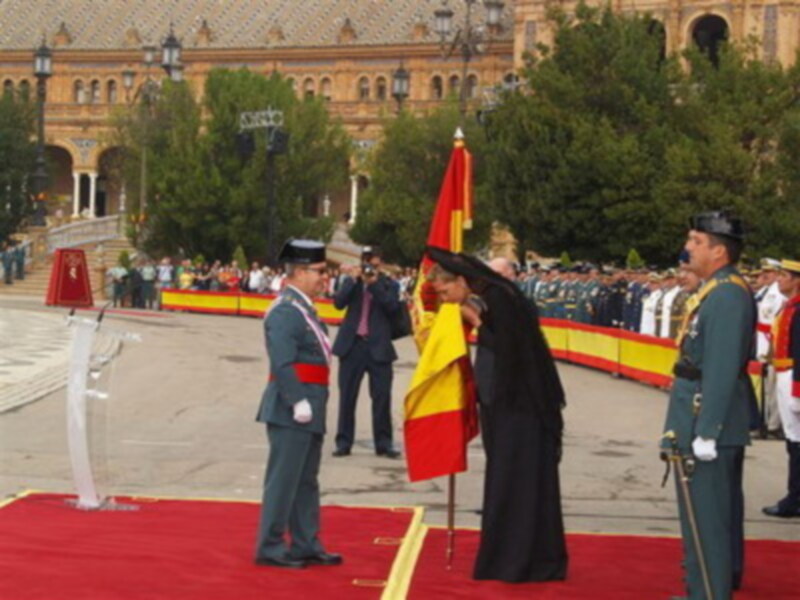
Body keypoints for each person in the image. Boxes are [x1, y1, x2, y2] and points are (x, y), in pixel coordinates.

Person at [427, 246, 568, 584]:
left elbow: (510, 351)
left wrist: (474, 319)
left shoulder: (500, 298)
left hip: (521, 407)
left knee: (515, 483)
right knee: (506, 480)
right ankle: (508, 556)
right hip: (502, 403)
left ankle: (514, 561)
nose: (446, 299)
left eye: (446, 291)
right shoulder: (488, 295)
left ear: (461, 280)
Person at [663, 210, 755, 599]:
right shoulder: (713, 289)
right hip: (694, 411)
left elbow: (720, 366)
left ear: (718, 251)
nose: (688, 248)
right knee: (698, 516)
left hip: (707, 419)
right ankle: (698, 589)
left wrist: (707, 431)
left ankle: (710, 594)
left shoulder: (728, 294)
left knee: (709, 520)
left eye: (696, 241)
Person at [254, 238, 342, 569]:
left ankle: (305, 542)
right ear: (300, 272)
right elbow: (283, 362)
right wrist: (298, 400)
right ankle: (271, 545)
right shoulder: (286, 311)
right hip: (293, 407)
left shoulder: (303, 309)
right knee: (284, 479)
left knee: (306, 480)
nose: (325, 278)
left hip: (310, 406)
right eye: (320, 271)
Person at [331, 246, 401, 458]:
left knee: (381, 397)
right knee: (347, 397)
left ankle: (384, 443)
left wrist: (374, 284)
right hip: (352, 346)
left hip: (378, 347)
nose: (371, 268)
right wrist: (353, 280)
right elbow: (338, 303)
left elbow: (392, 307)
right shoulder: (354, 282)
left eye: (376, 264)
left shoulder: (389, 284)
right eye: (368, 263)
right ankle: (343, 442)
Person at [762, 259, 800, 518]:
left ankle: (794, 499)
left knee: (797, 440)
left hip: (794, 377)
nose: (779, 280)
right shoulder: (789, 306)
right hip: (784, 373)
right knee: (792, 440)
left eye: (784, 276)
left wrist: (797, 388)